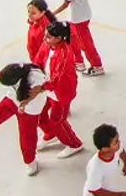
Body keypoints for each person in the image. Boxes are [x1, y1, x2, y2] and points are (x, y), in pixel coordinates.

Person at [36, 21, 85, 159]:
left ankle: (74, 144)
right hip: (46, 87)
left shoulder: (64, 53)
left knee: (57, 119)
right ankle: (50, 133)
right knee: (40, 113)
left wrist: (41, 87)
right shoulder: (46, 45)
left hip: (60, 91)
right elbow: (38, 61)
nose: (45, 39)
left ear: (58, 38)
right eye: (45, 36)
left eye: (48, 37)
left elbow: (57, 77)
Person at [56, 0, 104, 75]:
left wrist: (52, 13)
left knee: (86, 45)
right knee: (73, 39)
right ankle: (79, 62)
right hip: (84, 13)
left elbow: (66, 4)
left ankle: (97, 66)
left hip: (79, 19)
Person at [84, 124, 126, 196]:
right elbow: (95, 190)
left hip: (110, 188)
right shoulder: (96, 168)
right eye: (116, 142)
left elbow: (121, 151)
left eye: (118, 139)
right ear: (105, 149)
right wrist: (119, 195)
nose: (119, 142)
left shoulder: (115, 148)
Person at [25, 0, 56, 66]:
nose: (29, 15)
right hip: (34, 57)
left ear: (43, 12)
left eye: (33, 13)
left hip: (40, 61)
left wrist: (37, 64)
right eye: (28, 11)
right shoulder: (35, 21)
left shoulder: (44, 30)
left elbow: (43, 51)